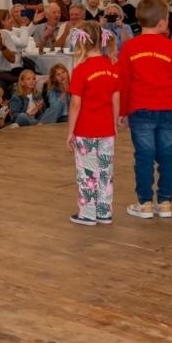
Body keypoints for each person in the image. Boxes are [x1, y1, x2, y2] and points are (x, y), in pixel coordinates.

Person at [117, 0, 172, 220]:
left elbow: (124, 82)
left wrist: (123, 112)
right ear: (162, 23)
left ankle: (145, 203)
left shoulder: (129, 48)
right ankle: (165, 202)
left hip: (140, 110)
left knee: (144, 156)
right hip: (168, 109)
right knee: (168, 155)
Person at [66, 26, 120, 226]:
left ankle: (88, 213)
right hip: (106, 129)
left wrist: (70, 131)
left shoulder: (81, 70)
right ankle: (104, 212)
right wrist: (114, 124)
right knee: (106, 171)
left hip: (86, 130)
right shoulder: (112, 67)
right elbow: (116, 99)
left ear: (81, 43)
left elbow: (75, 104)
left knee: (88, 173)